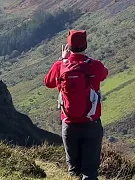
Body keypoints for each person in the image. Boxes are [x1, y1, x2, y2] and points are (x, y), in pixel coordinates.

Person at [44, 30, 108, 180]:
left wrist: (62, 59)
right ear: (85, 45)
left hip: (69, 125)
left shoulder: (60, 66)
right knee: (90, 172)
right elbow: (104, 74)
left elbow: (48, 82)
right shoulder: (94, 66)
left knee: (74, 171)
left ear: (68, 46)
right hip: (91, 124)